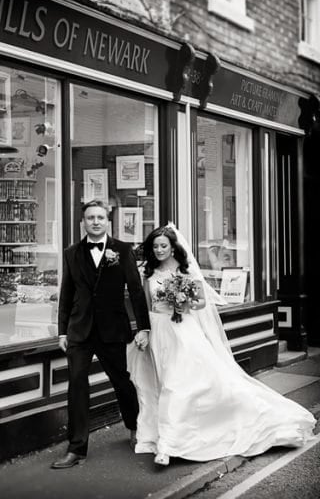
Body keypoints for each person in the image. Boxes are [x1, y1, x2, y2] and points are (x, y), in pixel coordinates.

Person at [128, 224, 316, 466]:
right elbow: (145, 308)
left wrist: (179, 301)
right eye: (155, 247)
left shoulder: (186, 272)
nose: (159, 250)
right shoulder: (150, 276)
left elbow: (200, 303)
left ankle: (168, 446)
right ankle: (177, 435)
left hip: (184, 334)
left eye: (163, 245)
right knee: (165, 383)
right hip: (160, 336)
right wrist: (145, 331)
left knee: (177, 385)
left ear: (173, 248)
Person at [51, 200, 151, 469]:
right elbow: (67, 294)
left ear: (108, 221)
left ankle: (134, 427)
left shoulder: (122, 249)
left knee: (122, 382)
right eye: (90, 218)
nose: (95, 222)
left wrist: (144, 326)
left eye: (100, 217)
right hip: (79, 331)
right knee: (77, 387)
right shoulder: (72, 252)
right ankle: (76, 449)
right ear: (83, 222)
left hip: (112, 330)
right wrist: (62, 331)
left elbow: (136, 290)